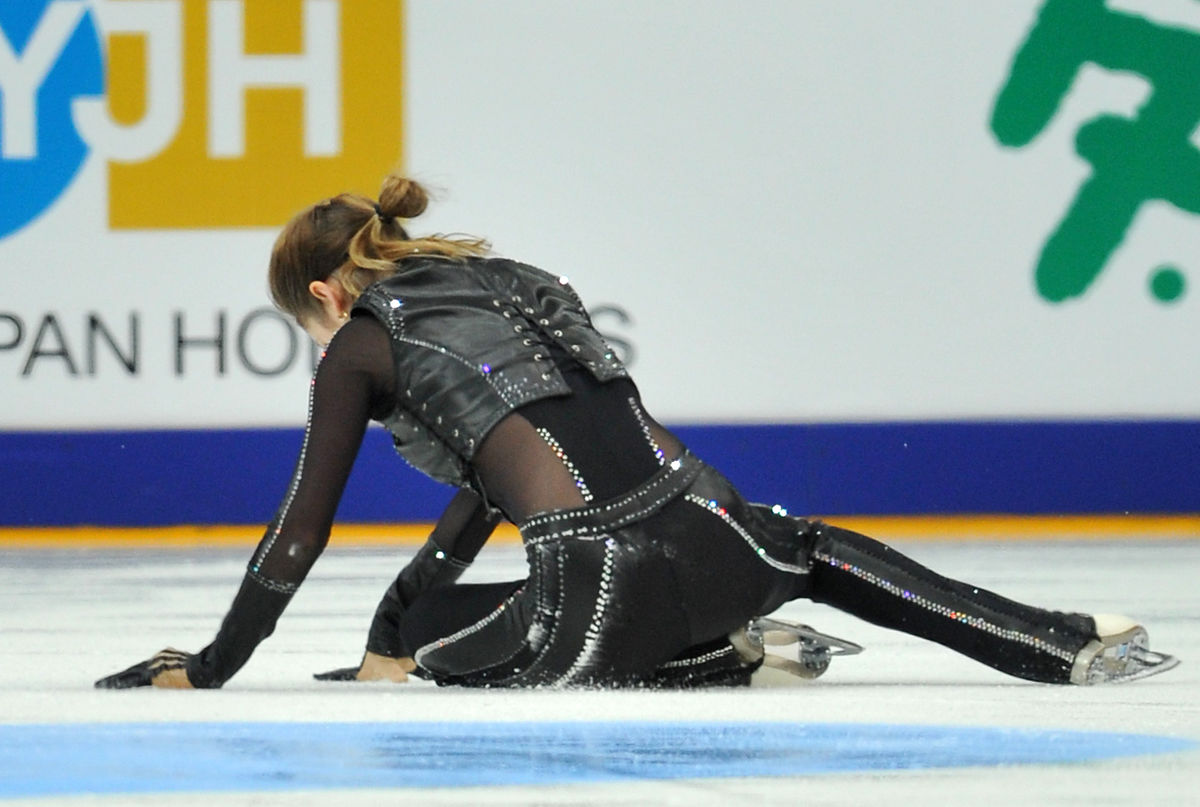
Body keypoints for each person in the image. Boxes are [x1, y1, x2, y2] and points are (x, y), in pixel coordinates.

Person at [96, 173, 1179, 691]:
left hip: (602, 590)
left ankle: (724, 659)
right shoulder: (509, 277)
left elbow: (299, 533)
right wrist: (392, 621)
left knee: (453, 661)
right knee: (806, 547)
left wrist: (214, 665)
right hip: (718, 525)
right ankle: (1061, 638)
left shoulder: (360, 345)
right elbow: (507, 473)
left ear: (329, 294)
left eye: (305, 324)